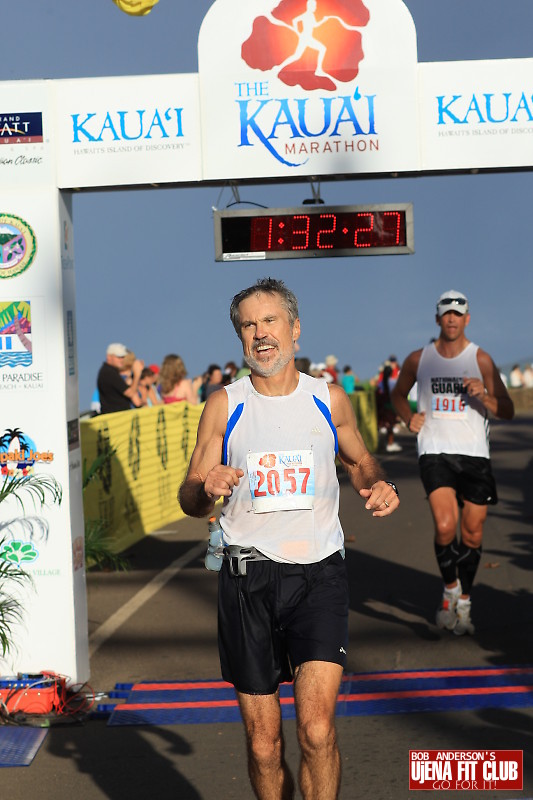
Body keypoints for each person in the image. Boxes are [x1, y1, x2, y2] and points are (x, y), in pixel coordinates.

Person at [179, 277, 399, 800]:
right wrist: (204, 488)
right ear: (240, 336)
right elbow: (190, 498)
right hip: (246, 580)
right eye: (248, 325)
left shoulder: (328, 398)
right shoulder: (224, 404)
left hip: (319, 574)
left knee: (317, 731)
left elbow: (359, 461)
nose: (260, 334)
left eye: (270, 321)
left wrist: (379, 483)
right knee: (263, 745)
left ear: (294, 329)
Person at [391, 290, 514, 636]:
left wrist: (484, 395)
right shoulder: (419, 359)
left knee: (473, 531)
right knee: (446, 526)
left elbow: (507, 409)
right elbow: (397, 394)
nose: (452, 318)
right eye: (446, 313)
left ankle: (465, 602)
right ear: (437, 318)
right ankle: (450, 591)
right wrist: (408, 418)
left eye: (458, 314)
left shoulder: (481, 360)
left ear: (467, 319)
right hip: (435, 451)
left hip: (475, 454)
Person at [97, 342, 144, 414]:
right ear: (109, 357)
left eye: (123, 357)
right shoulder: (108, 372)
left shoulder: (110, 371)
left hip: (118, 416)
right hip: (116, 417)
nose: (121, 360)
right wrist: (137, 374)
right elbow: (131, 394)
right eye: (119, 357)